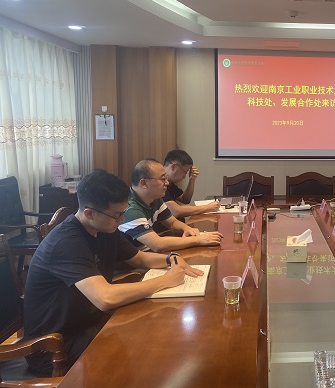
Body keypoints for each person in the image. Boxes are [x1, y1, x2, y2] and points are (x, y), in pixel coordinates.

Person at [23, 169, 203, 376]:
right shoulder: (66, 243)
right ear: (89, 213)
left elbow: (139, 258)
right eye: (117, 215)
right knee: (147, 357)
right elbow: (105, 298)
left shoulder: (105, 227)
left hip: (89, 322)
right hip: (54, 345)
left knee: (160, 332)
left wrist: (170, 259)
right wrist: (166, 280)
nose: (122, 219)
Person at [118, 159, 222, 252]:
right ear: (144, 183)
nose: (167, 183)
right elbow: (157, 244)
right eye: (163, 179)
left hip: (148, 254)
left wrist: (187, 229)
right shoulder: (130, 209)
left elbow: (172, 223)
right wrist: (198, 240)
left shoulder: (155, 198)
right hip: (132, 264)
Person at [163, 149, 220, 219]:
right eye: (185, 172)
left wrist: (192, 179)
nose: (184, 177)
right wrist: (208, 207)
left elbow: (185, 199)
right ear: (173, 167)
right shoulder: (160, 184)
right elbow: (176, 211)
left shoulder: (170, 184)